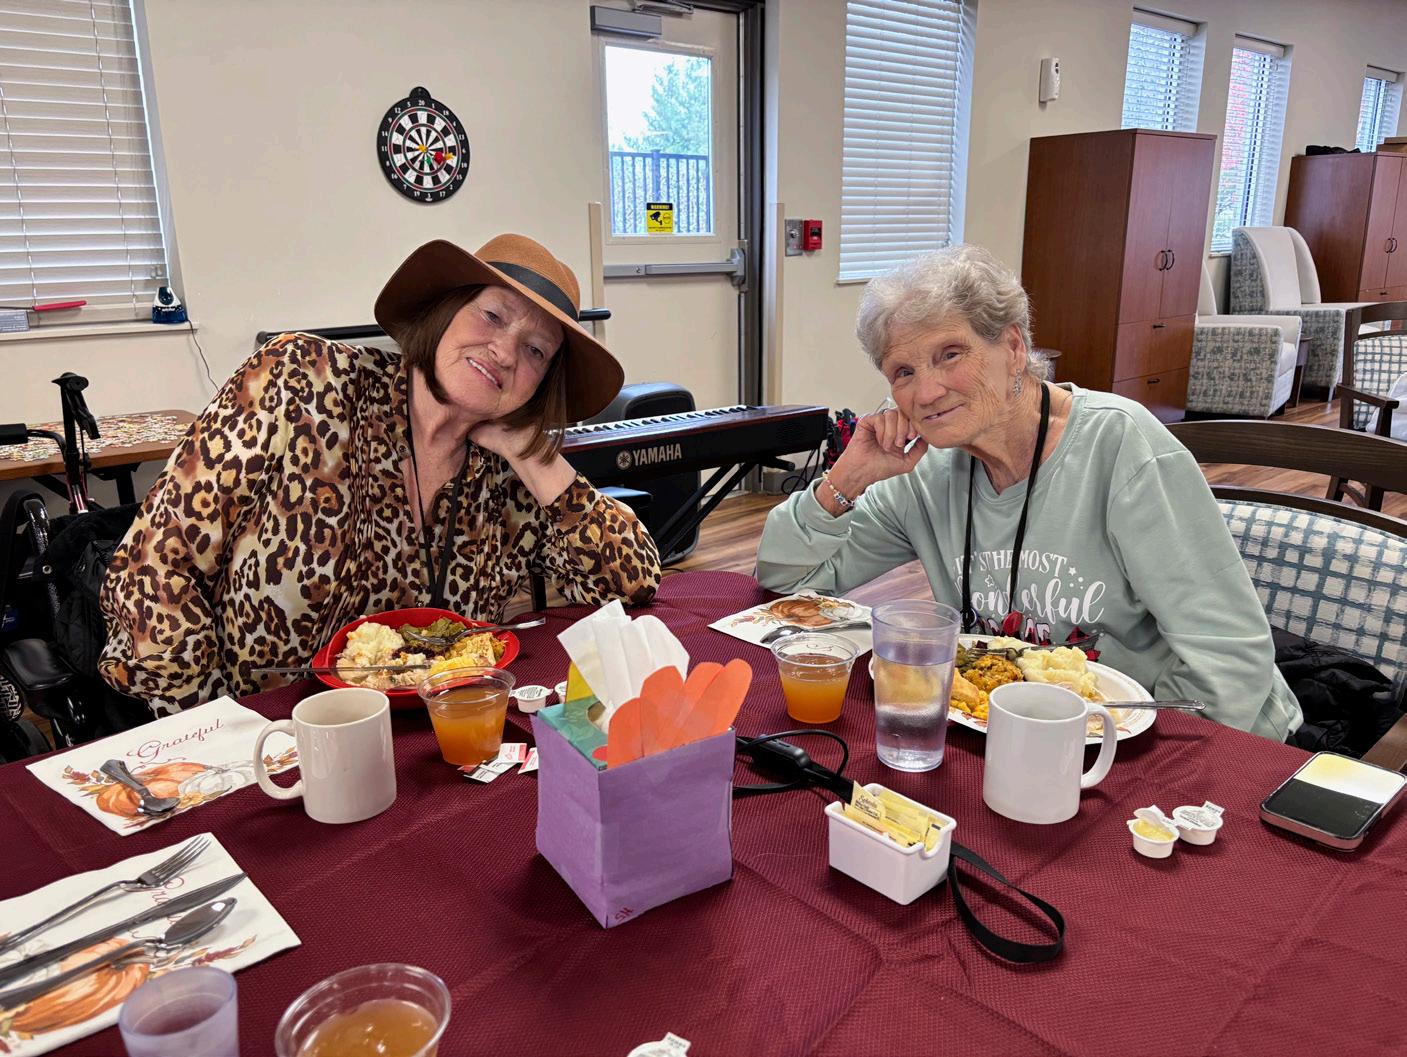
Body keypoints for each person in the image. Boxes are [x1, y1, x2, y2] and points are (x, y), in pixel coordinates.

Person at [757, 245, 1300, 739]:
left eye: (950, 354)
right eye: (902, 372)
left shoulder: (1120, 446)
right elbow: (786, 581)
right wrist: (846, 479)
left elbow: (1228, 660)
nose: (926, 391)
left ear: (1014, 347)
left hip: (1184, 739)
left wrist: (1134, 757)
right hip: (1024, 733)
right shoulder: (925, 472)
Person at [100, 235, 661, 710]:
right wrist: (215, 726)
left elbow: (630, 585)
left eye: (536, 351)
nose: (506, 353)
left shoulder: (508, 478)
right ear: (445, 310)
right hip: (266, 737)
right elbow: (153, 571)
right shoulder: (303, 383)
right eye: (492, 316)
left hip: (427, 742)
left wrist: (533, 453)